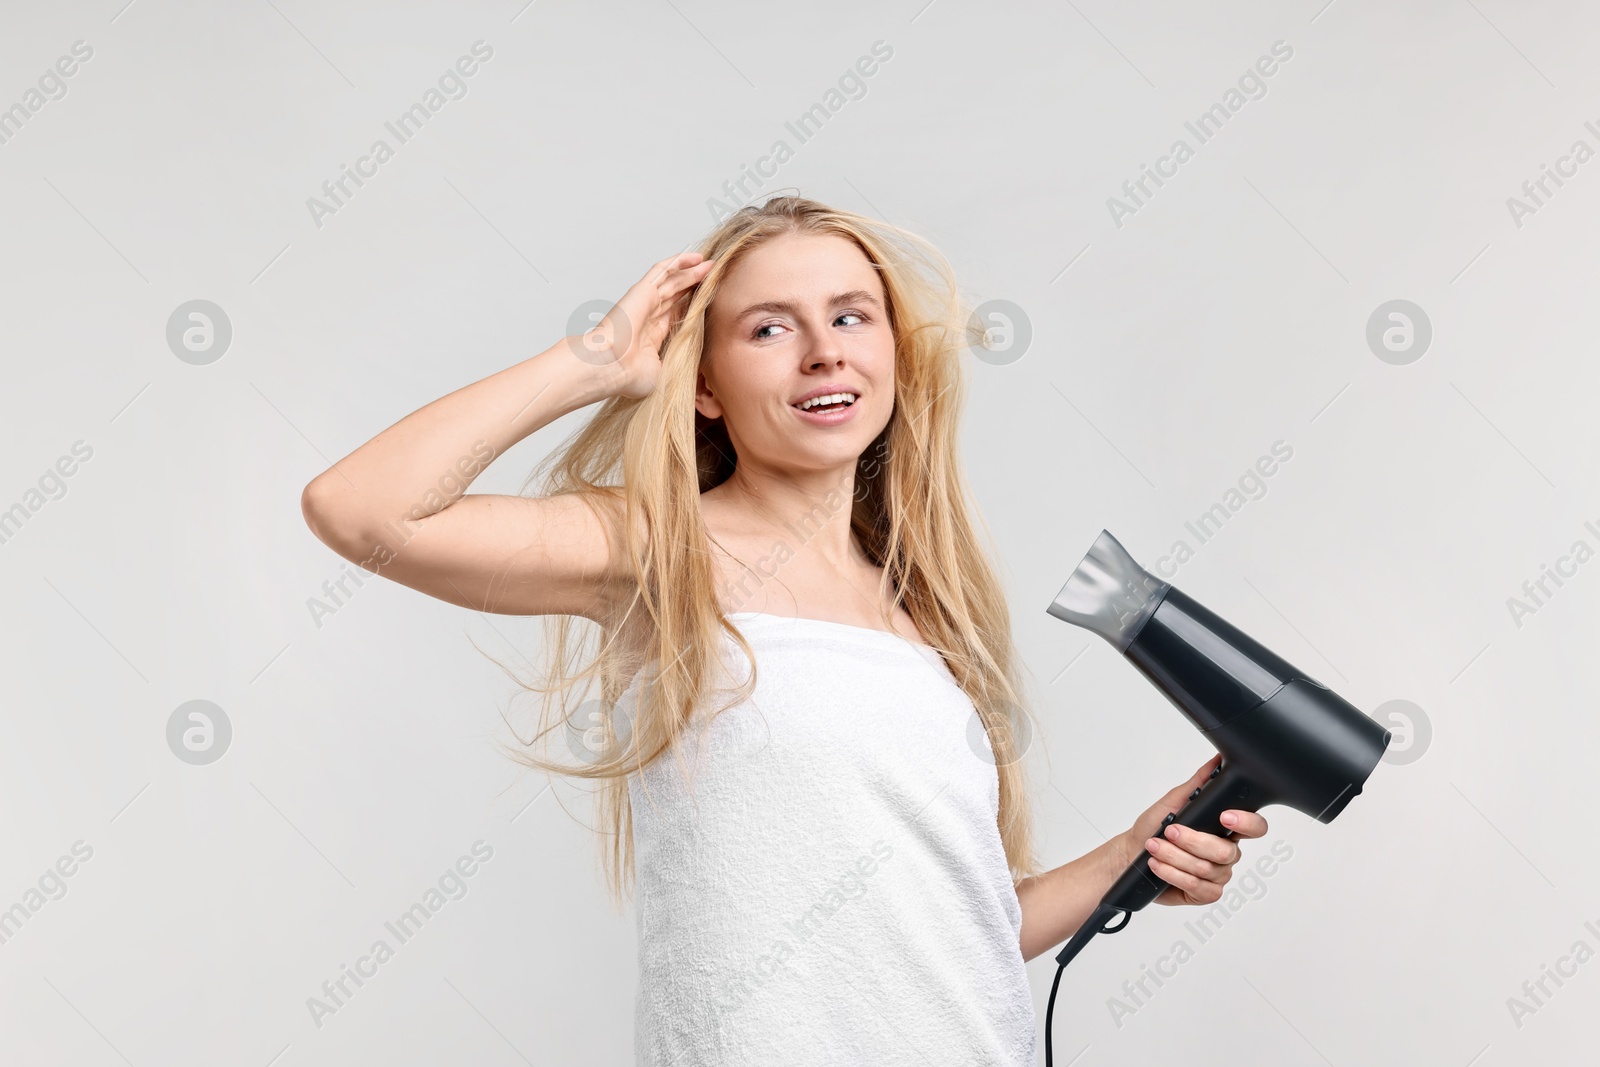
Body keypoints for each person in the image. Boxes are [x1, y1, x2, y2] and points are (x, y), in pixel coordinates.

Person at [300, 195, 1269, 1065]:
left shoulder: (920, 608)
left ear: (890, 350)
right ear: (706, 383)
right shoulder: (659, 548)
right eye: (771, 327)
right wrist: (590, 361)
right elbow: (364, 510)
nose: (824, 351)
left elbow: (952, 931)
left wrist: (1124, 852)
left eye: (851, 315)